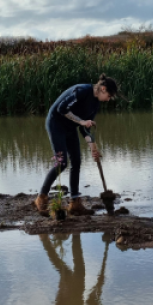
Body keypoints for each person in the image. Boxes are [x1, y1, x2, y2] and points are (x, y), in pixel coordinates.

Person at [34, 74, 120, 216]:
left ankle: (75, 203)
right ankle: (41, 197)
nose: (108, 100)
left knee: (77, 162)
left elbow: (85, 128)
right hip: (56, 124)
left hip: (70, 127)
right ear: (103, 89)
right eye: (109, 96)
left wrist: (93, 148)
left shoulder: (96, 103)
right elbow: (61, 109)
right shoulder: (82, 91)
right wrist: (80, 121)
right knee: (61, 163)